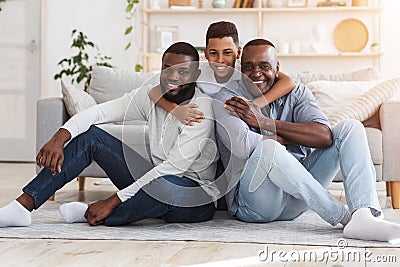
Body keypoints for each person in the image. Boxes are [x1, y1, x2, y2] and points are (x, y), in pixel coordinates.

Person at [0, 42, 220, 227]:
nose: (173, 77)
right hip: (152, 181)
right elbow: (100, 112)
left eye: (183, 72)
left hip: (194, 195)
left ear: (196, 75)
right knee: (93, 137)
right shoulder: (150, 96)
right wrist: (59, 137)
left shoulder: (202, 110)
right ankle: (22, 206)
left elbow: (173, 169)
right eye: (167, 69)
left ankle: (93, 212)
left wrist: (113, 200)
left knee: (164, 186)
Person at [218, 38, 400, 243]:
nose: (256, 73)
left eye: (264, 66)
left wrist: (265, 122)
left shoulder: (297, 93)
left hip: (297, 200)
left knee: (351, 128)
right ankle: (344, 216)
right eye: (248, 67)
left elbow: (323, 136)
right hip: (256, 203)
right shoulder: (230, 99)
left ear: (277, 68)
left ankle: (365, 215)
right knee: (268, 147)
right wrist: (280, 138)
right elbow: (243, 146)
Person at [148, 21, 295, 125]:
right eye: (213, 53)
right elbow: (154, 92)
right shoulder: (199, 72)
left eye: (227, 53)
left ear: (238, 52)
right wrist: (176, 110)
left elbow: (289, 82)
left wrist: (256, 104)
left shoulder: (246, 70)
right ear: (205, 53)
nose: (220, 60)